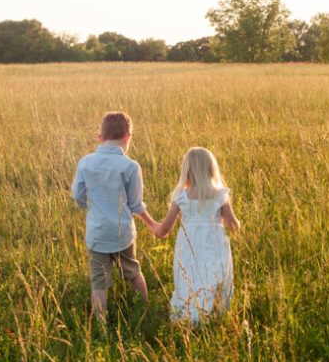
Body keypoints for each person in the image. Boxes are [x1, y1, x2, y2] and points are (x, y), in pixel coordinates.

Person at [72, 111, 159, 321]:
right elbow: (136, 205)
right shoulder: (130, 166)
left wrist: (89, 205)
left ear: (100, 136)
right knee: (133, 272)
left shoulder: (85, 162)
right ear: (127, 137)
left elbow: (78, 196)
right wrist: (153, 224)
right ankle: (144, 312)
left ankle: (101, 327)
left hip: (97, 234)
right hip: (123, 234)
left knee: (99, 283)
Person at [150, 147, 240, 323]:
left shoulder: (181, 196)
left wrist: (152, 225)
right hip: (214, 245)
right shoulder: (219, 195)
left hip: (189, 245)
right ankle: (215, 315)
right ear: (211, 169)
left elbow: (164, 229)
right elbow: (233, 226)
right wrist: (237, 224)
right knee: (214, 274)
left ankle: (189, 317)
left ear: (187, 170)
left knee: (189, 276)